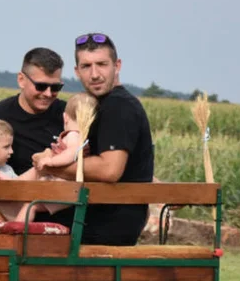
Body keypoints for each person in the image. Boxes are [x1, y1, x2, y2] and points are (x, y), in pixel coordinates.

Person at [37, 33, 154, 245]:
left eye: (102, 64)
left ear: (117, 65)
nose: (94, 74)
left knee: (22, 225)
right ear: (76, 71)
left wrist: (50, 167)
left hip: (106, 219)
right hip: (94, 210)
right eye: (86, 66)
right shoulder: (93, 106)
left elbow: (109, 169)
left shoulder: (118, 106)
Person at [0, 48, 67, 175]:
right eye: (41, 86)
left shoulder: (70, 116)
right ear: (21, 80)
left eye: (56, 87)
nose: (48, 93)